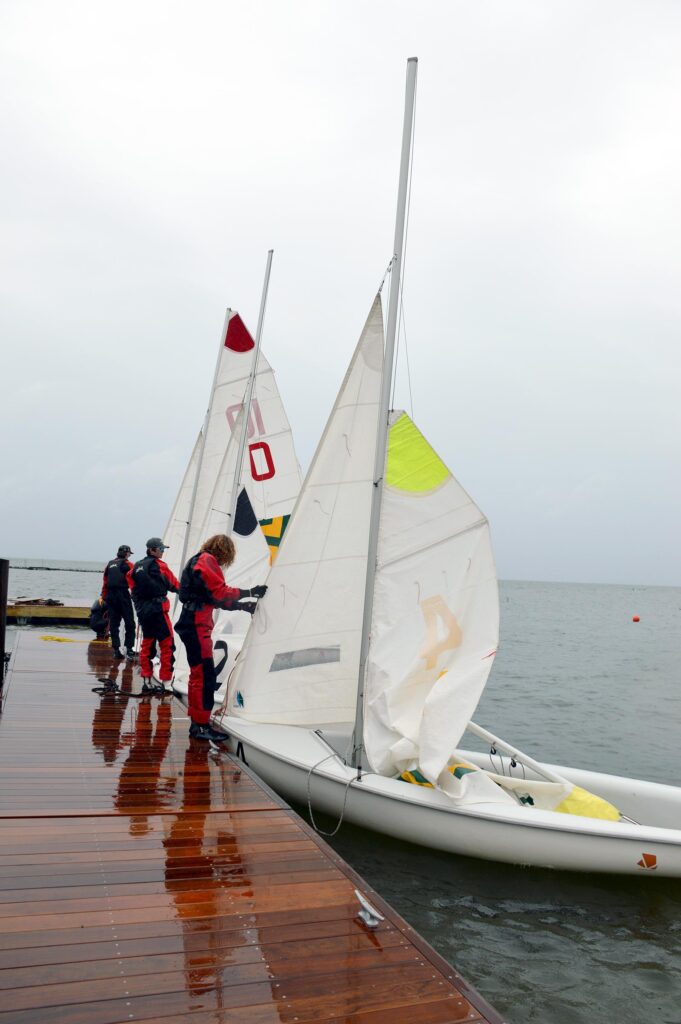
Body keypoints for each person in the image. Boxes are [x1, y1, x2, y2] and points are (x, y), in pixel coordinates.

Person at [176, 533, 267, 742]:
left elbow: (212, 597)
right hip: (197, 626)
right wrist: (250, 592)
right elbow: (219, 593)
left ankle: (197, 722)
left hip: (192, 623)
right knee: (204, 676)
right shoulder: (207, 560)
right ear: (225, 551)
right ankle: (199, 726)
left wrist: (242, 606)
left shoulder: (197, 560)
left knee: (199, 674)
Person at [128, 537, 180, 694]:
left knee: (147, 644)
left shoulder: (136, 567)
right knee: (167, 644)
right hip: (158, 610)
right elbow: (173, 584)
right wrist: (189, 593)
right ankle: (166, 682)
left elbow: (132, 586)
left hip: (144, 612)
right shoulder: (160, 565)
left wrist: (140, 605)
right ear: (152, 550)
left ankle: (146, 679)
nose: (163, 552)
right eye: (161, 549)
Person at [101, 545, 136, 659]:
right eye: (129, 554)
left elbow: (105, 582)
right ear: (127, 554)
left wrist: (104, 597)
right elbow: (135, 579)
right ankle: (129, 649)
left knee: (114, 624)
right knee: (130, 623)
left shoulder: (110, 564)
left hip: (111, 596)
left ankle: (116, 650)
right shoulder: (128, 564)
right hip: (123, 595)